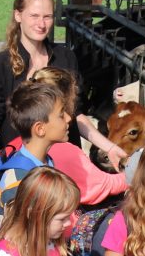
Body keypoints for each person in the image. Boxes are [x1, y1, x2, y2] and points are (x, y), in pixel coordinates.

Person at [0, 0, 80, 146]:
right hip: (19, 163)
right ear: (18, 15)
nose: (41, 24)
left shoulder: (66, 58)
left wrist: (109, 147)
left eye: (47, 16)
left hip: (63, 157)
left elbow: (77, 114)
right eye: (34, 16)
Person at [24, 67, 127, 206]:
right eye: (73, 101)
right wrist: (137, 173)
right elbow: (100, 186)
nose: (69, 118)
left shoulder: (26, 140)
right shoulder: (64, 151)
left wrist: (111, 148)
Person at [0, 81, 70, 219]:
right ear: (40, 129)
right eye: (61, 114)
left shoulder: (45, 163)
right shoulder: (17, 182)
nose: (69, 118)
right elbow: (16, 237)